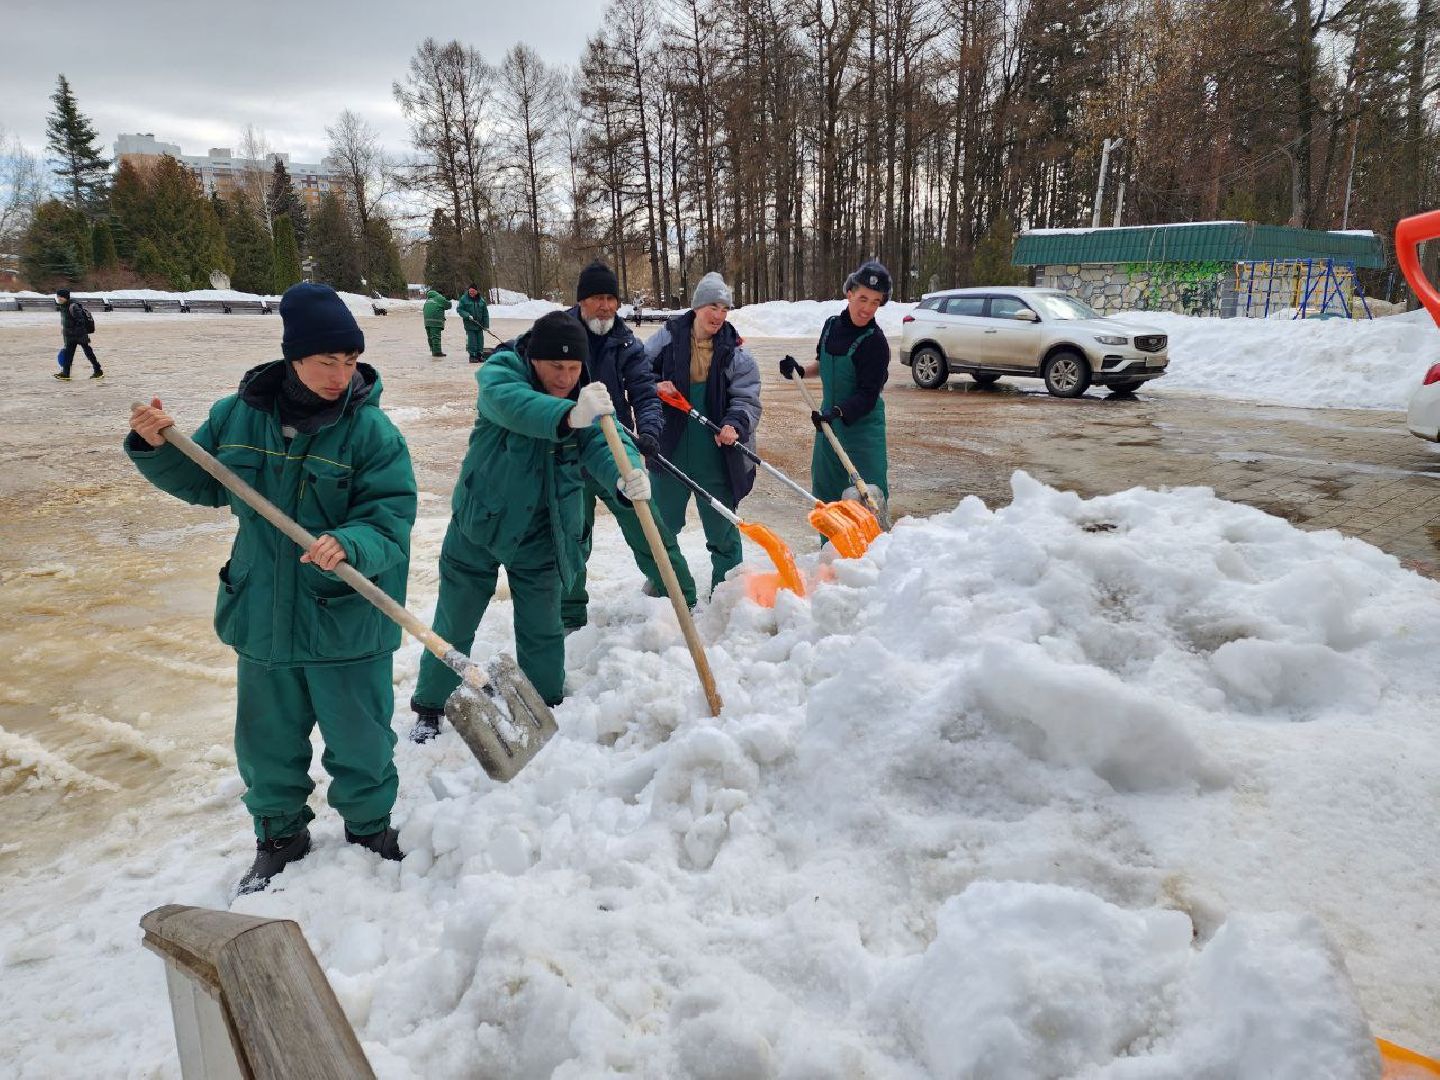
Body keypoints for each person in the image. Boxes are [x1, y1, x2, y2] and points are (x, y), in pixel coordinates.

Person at [126, 283, 417, 894]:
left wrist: (351, 542)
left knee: (361, 738)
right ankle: (279, 836)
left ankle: (369, 829)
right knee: (266, 743)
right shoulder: (237, 416)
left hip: (345, 615)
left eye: (350, 361)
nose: (340, 376)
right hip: (262, 609)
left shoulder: (371, 432)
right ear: (293, 358)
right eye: (326, 361)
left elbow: (391, 518)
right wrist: (157, 446)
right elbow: (206, 483)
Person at [408, 310, 650, 742]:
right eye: (556, 366)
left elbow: (605, 440)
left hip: (544, 531)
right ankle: (430, 706)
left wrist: (626, 475)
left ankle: (546, 705)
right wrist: (571, 415)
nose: (565, 377)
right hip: (480, 525)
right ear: (534, 359)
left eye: (573, 367)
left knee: (543, 628)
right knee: (454, 622)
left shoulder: (585, 397)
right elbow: (512, 406)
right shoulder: (502, 374)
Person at [559, 260, 696, 629]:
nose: (605, 306)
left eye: (611, 299)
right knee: (569, 537)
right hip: (566, 453)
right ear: (581, 301)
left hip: (614, 449)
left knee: (647, 525)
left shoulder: (626, 343)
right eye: (597, 298)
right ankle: (568, 616)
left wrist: (648, 431)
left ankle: (681, 600)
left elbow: (645, 392)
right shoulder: (558, 333)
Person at [646, 272, 761, 591]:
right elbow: (638, 371)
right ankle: (662, 586)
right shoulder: (666, 339)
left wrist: (734, 424)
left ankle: (728, 591)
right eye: (713, 306)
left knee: (722, 529)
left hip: (715, 454)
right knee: (661, 526)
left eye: (725, 309)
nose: (719, 315)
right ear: (697, 307)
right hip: (669, 449)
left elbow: (747, 397)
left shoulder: (735, 352)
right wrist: (655, 386)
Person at [779, 259, 892, 504]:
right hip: (829, 424)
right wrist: (800, 370)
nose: (867, 308)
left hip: (862, 433)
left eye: (875, 302)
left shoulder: (875, 342)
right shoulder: (832, 326)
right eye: (863, 298)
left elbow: (868, 395)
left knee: (867, 500)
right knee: (826, 494)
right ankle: (828, 532)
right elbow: (824, 364)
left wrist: (837, 412)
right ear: (849, 293)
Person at [54, 287, 103, 381]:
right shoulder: (63, 306)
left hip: (80, 335)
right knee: (68, 355)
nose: (59, 298)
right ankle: (66, 374)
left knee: (88, 353)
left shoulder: (73, 306)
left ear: (65, 297)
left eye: (60, 297)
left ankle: (98, 371)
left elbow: (80, 321)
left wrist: (75, 332)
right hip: (70, 336)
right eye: (58, 297)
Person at [457, 283, 490, 363]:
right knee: (472, 340)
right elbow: (459, 309)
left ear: (476, 291)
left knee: (480, 340)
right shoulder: (464, 299)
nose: (471, 293)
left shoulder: (481, 300)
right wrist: (467, 315)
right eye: (470, 291)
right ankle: (472, 356)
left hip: (479, 325)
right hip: (470, 324)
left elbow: (485, 314)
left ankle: (479, 355)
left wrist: (486, 325)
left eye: (473, 291)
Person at [422, 286, 449, 357]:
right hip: (436, 321)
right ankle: (437, 352)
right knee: (436, 336)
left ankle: (433, 350)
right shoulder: (439, 298)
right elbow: (448, 305)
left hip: (427, 321)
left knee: (430, 337)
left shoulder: (428, 299)